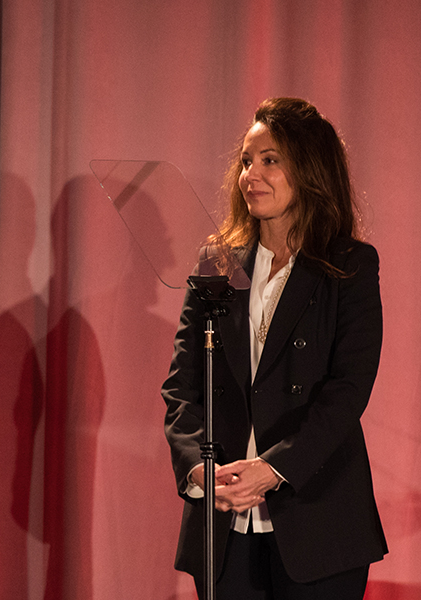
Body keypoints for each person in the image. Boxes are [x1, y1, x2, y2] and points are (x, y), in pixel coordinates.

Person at [162, 97, 387, 599]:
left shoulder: (349, 265)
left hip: (318, 522)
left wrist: (272, 469)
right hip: (225, 523)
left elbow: (348, 391)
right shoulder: (217, 260)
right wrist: (200, 467)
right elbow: (181, 386)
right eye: (246, 161)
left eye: (270, 160)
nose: (251, 175)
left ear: (309, 170)